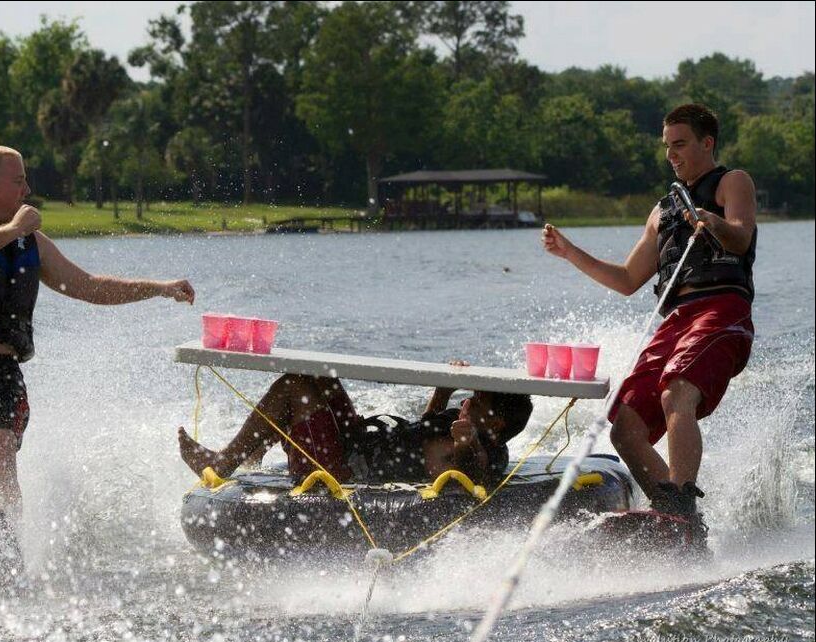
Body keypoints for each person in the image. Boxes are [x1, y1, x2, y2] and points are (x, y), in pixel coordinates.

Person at [0, 145, 195, 585]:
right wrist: (12, 230)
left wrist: (159, 288)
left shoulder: (31, 242)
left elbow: (88, 286)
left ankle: (1, 559)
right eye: (18, 180)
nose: (27, 189)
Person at [541, 104, 756, 538]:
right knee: (625, 425)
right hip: (677, 319)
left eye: (680, 144)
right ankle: (674, 517)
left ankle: (682, 503)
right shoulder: (662, 211)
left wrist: (712, 222)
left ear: (707, 143)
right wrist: (570, 252)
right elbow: (626, 280)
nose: (671, 155)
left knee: (677, 391)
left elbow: (740, 235)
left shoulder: (733, 182)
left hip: (721, 310)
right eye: (666, 146)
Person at [177, 369, 533, 485]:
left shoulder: (484, 451)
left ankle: (225, 462)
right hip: (361, 443)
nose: (468, 400)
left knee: (294, 385)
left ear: (496, 422)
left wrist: (468, 442)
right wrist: (442, 393)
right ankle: (254, 450)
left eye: (478, 400)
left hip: (345, 470)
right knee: (320, 376)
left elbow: (468, 474)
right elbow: (424, 431)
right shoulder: (464, 422)